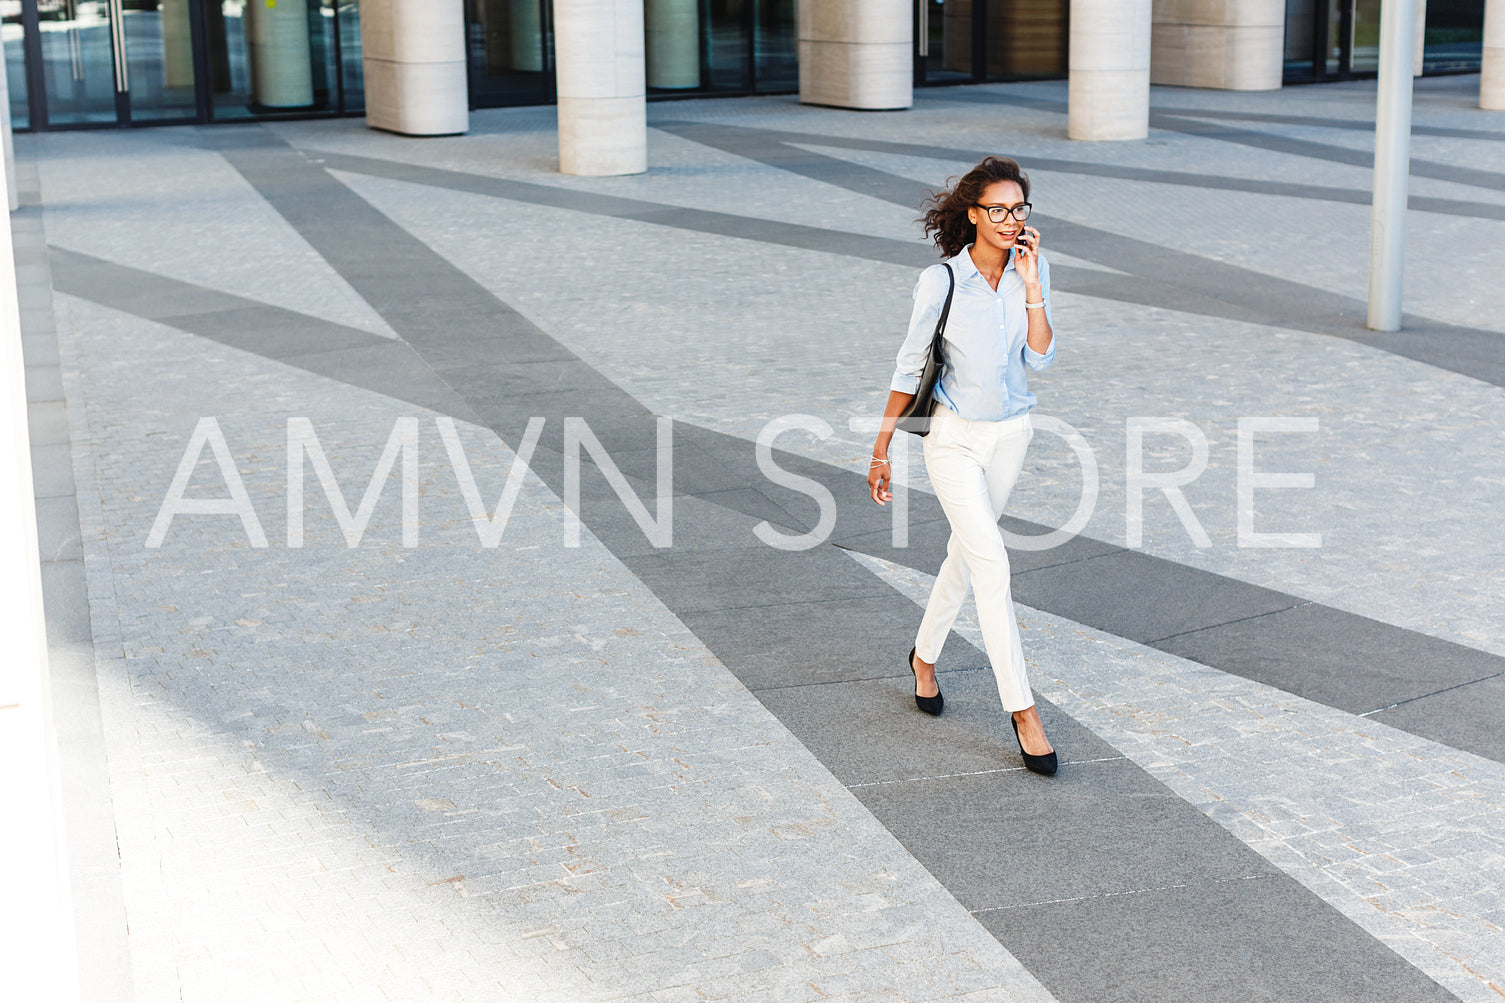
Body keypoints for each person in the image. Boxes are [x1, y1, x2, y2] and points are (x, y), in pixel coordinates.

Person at [867, 156, 1058, 776]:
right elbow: (909, 364)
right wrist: (882, 447)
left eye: (1018, 209)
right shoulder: (942, 281)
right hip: (951, 438)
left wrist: (1031, 286)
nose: (1009, 220)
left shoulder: (1033, 268)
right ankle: (1024, 712)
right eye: (997, 209)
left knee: (966, 555)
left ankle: (923, 658)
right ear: (973, 214)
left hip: (1012, 435)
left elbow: (1042, 354)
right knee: (993, 564)